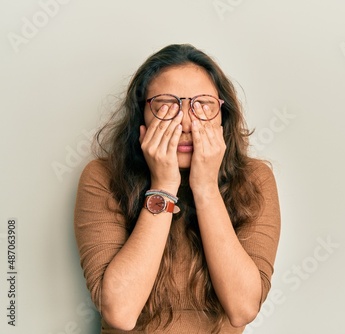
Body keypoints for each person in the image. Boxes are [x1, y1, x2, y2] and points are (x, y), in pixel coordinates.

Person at [73, 44, 281, 334]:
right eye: (166, 106)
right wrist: (164, 186)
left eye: (203, 105)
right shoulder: (102, 177)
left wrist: (205, 186)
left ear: (223, 115)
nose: (185, 123)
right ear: (141, 117)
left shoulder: (255, 179)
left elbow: (243, 308)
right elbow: (120, 312)